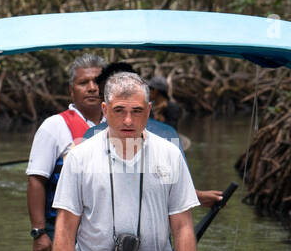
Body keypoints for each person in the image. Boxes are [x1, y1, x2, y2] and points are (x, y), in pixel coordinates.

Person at [51, 72, 198, 251]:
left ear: (148, 111)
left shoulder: (170, 154)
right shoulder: (80, 156)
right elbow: (66, 229)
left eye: (136, 111)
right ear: (105, 109)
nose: (128, 121)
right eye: (119, 110)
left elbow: (182, 227)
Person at [84, 63, 224, 209]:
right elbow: (179, 190)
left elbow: (177, 188)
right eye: (103, 95)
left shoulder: (92, 135)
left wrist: (195, 196)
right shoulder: (167, 133)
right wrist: (197, 196)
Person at [27, 54, 105, 251]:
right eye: (83, 83)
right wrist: (39, 233)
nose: (92, 88)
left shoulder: (119, 126)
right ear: (72, 91)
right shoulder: (54, 126)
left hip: (103, 230)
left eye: (97, 82)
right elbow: (36, 180)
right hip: (61, 227)